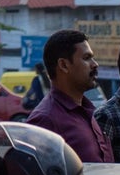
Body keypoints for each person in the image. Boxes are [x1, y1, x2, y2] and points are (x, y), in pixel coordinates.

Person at [23, 29, 114, 163]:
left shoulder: (86, 110)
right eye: (87, 58)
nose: (95, 64)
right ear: (64, 65)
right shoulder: (46, 119)